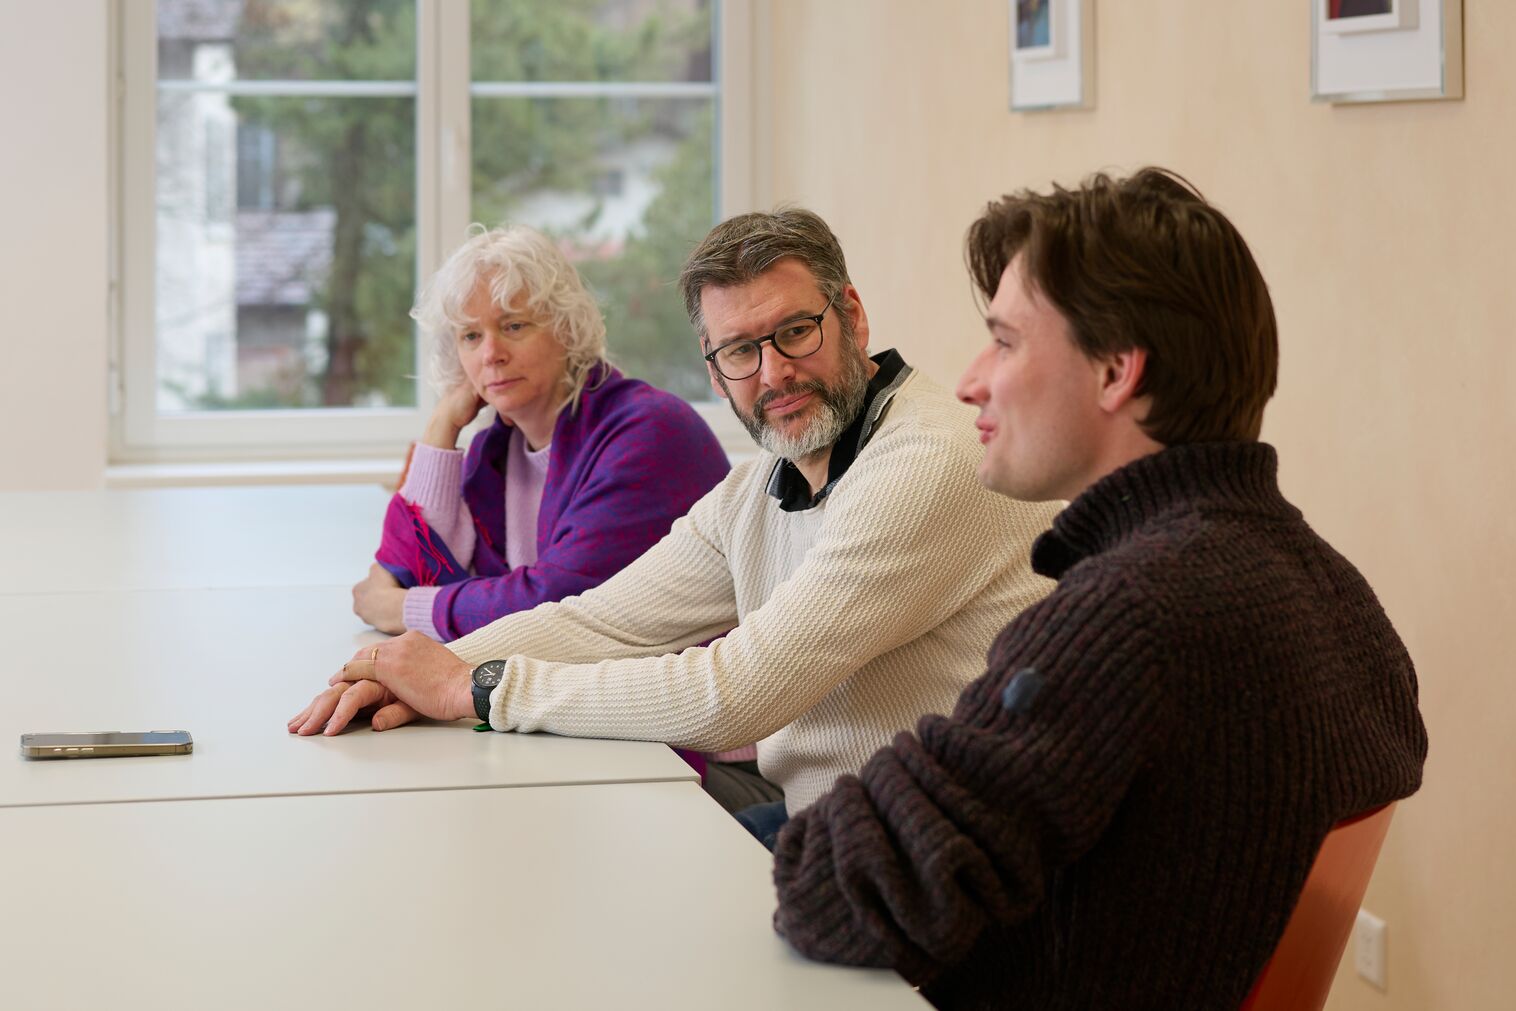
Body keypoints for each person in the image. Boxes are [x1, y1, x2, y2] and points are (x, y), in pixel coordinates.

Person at [765, 169, 1429, 1008]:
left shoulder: (1128, 620)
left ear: (1116, 371)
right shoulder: (1340, 595)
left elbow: (830, 896)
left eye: (1004, 342)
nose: (971, 380)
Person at [291, 208, 1061, 836]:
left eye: (796, 332)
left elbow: (740, 691)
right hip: (834, 833)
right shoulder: (768, 481)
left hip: (938, 871)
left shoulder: (924, 460)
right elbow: (602, 620)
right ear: (710, 364)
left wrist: (478, 687)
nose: (773, 372)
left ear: (852, 316)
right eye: (738, 351)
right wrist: (401, 673)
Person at [350, 224, 728, 642]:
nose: (491, 354)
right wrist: (443, 425)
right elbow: (409, 564)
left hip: (673, 695)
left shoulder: (649, 432)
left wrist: (405, 610)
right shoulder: (494, 449)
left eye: (513, 326)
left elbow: (557, 603)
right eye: (471, 336)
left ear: (566, 329)